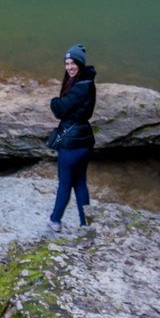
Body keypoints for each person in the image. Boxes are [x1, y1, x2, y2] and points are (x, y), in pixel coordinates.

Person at [47, 44, 97, 231]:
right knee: (80, 184)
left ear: (80, 64)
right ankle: (87, 224)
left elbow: (59, 108)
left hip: (71, 144)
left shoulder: (80, 88)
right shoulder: (87, 83)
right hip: (84, 139)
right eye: (67, 63)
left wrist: (53, 101)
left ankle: (55, 221)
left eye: (73, 63)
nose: (69, 67)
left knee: (65, 184)